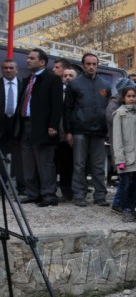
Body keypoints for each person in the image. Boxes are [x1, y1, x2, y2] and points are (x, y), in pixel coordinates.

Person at [64, 53, 112, 207]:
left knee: (98, 165)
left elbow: (108, 110)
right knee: (79, 164)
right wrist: (68, 131)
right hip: (79, 130)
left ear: (97, 65)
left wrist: (107, 131)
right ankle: (79, 195)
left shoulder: (105, 85)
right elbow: (68, 109)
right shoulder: (74, 84)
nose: (91, 66)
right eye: (88, 64)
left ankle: (100, 196)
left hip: (99, 131)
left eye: (94, 64)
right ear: (83, 65)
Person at [19, 48, 62, 207]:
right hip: (26, 125)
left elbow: (57, 105)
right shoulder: (28, 79)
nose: (28, 60)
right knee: (28, 162)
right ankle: (33, 193)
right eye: (28, 57)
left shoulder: (52, 79)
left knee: (45, 162)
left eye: (32, 58)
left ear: (42, 62)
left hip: (44, 127)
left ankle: (48, 195)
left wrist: (53, 125)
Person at [112, 86, 136, 223]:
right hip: (126, 157)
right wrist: (120, 158)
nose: (131, 99)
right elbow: (117, 138)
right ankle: (126, 208)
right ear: (123, 98)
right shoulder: (119, 114)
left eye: (134, 96)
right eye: (129, 96)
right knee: (126, 184)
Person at [0, 60, 24, 194]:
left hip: (17, 127)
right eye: (5, 68)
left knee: (19, 158)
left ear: (17, 70)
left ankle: (22, 187)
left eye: (11, 68)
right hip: (1, 127)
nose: (8, 70)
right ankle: (2, 188)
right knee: (1, 158)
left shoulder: (24, 86)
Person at [56, 66, 76, 201]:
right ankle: (66, 191)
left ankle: (78, 190)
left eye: (70, 75)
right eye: (65, 75)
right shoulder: (58, 93)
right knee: (63, 165)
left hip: (77, 133)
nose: (67, 78)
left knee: (77, 165)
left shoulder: (78, 92)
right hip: (61, 135)